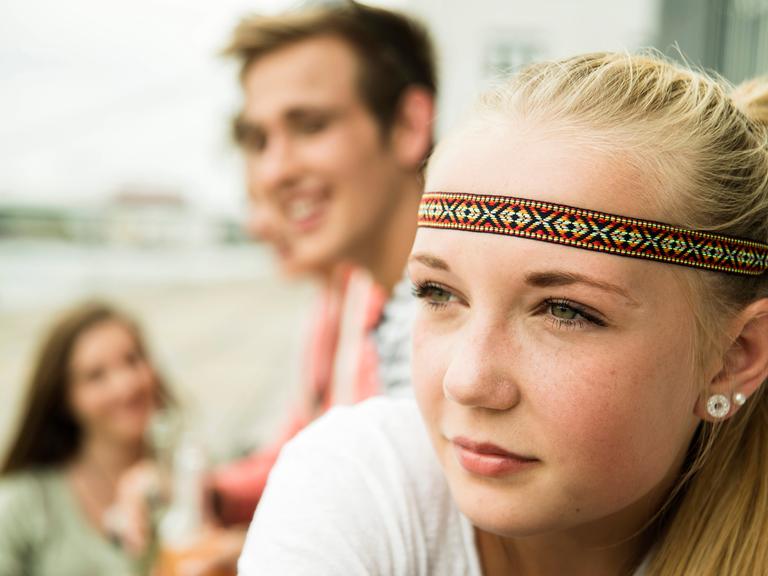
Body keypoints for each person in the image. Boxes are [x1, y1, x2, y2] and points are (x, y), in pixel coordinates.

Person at [237, 52, 768, 575]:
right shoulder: (356, 484)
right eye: (438, 294)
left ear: (733, 356)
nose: (466, 383)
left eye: (565, 311)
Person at [211, 0, 437, 524]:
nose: (271, 173)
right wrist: (216, 497)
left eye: (310, 126)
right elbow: (306, 454)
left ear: (407, 125)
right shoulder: (354, 286)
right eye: (259, 139)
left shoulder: (466, 332)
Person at [0, 301, 170, 576]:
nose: (125, 384)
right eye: (96, 376)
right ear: (64, 397)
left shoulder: (193, 478)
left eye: (132, 360)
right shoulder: (22, 504)